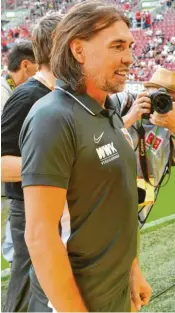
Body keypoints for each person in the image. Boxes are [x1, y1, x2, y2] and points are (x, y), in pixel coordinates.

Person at [19, 2, 150, 312]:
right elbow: (40, 236)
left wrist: (132, 270)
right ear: (78, 50)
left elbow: (118, 201)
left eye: (129, 46)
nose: (129, 58)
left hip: (114, 292)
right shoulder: (53, 117)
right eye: (117, 46)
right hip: (73, 302)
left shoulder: (108, 112)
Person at [1, 14, 62, 313]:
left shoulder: (63, 94)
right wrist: (55, 166)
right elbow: (2, 163)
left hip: (59, 204)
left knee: (49, 285)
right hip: (28, 207)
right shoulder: (26, 96)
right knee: (26, 283)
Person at [112, 68, 175, 226]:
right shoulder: (123, 103)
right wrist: (131, 117)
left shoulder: (171, 126)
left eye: (172, 99)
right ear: (146, 90)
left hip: (138, 208)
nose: (162, 101)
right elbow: (94, 139)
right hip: (107, 201)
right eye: (159, 94)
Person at [1, 40, 37, 111]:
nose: (41, 70)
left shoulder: (14, 88)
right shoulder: (2, 94)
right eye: (39, 66)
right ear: (25, 65)